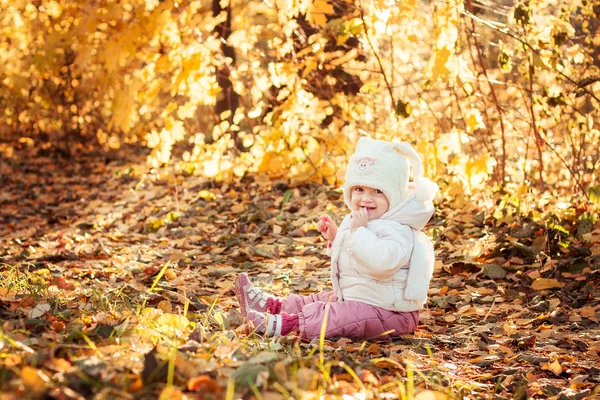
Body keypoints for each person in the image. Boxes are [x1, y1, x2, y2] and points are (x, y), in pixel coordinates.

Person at [234, 137, 438, 340]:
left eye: (377, 191)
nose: (366, 198)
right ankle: (273, 307)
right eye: (359, 189)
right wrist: (336, 236)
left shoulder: (399, 230)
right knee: (320, 299)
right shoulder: (364, 220)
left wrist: (358, 233)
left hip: (391, 314)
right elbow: (353, 259)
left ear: (393, 195)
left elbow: (381, 263)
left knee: (337, 314)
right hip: (361, 300)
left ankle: (288, 325)